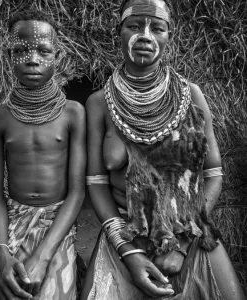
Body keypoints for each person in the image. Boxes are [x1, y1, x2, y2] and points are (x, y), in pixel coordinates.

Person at [81, 0, 246, 299]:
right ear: (118, 32)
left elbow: (213, 175)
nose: (145, 35)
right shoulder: (98, 103)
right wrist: (127, 252)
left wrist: (181, 243)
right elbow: (96, 183)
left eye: (157, 28)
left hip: (190, 232)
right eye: (134, 26)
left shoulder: (190, 94)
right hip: (124, 236)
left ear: (169, 36)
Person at [0, 9, 86, 300]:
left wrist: (42, 256)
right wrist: (2, 254)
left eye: (43, 50)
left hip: (57, 223)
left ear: (58, 55)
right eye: (21, 50)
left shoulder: (72, 114)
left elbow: (78, 191)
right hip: (14, 223)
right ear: (8, 55)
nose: (32, 59)